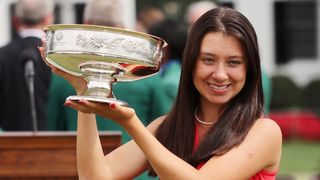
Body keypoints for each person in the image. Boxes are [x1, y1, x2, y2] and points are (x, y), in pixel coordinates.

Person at [40, 7, 282, 179]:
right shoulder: (168, 127)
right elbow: (94, 176)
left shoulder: (263, 131)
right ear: (190, 63)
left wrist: (131, 122)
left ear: (249, 69)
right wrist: (85, 91)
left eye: (233, 62)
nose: (219, 74)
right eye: (208, 60)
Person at [47, 0, 170, 144]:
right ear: (122, 26)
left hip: (78, 160)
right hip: (132, 161)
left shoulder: (65, 71)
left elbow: (53, 130)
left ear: (86, 23)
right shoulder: (142, 72)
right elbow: (162, 127)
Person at [0, 0, 54, 131]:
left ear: (15, 20)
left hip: (10, 144)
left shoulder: (2, 55)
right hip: (55, 144)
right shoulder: (57, 57)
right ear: (48, 19)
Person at [148, 19, 188, 104]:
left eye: (151, 43)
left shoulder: (169, 84)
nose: (148, 48)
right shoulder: (178, 70)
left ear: (164, 48)